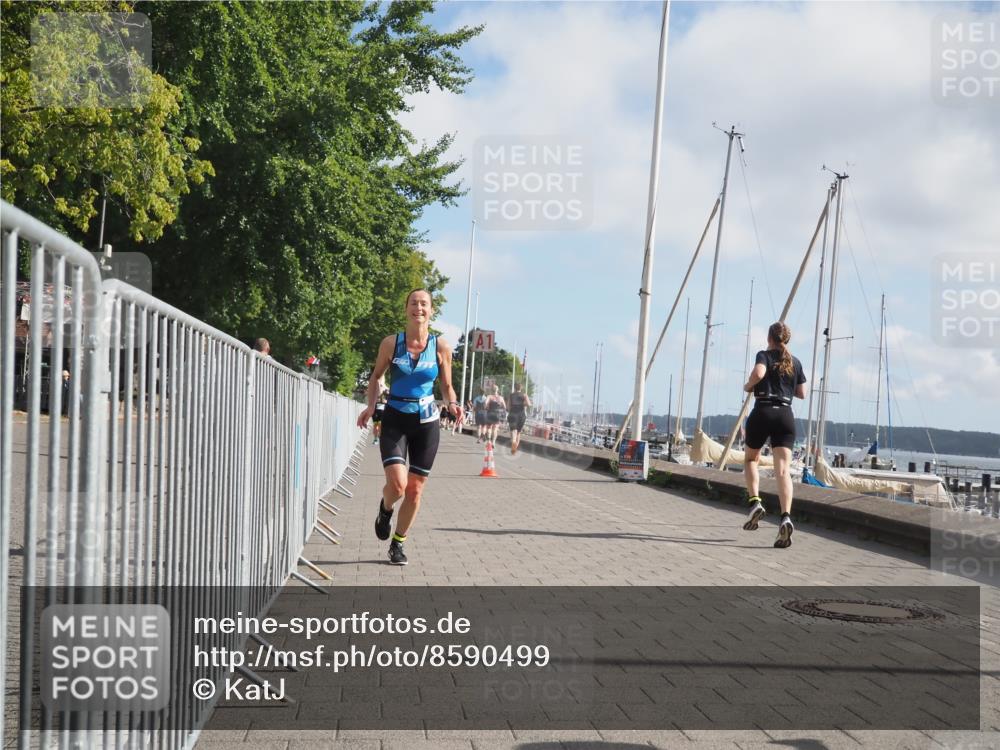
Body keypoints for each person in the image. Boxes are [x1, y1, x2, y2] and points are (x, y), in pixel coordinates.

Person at [356, 289, 459, 565]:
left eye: (424, 304)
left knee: (415, 489)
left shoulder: (441, 347)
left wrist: (452, 403)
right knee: (398, 486)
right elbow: (376, 377)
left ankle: (398, 544)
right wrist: (371, 407)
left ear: (431, 311)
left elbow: (447, 385)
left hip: (426, 423)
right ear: (406, 309)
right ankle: (385, 508)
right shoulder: (392, 343)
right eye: (414, 303)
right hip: (395, 419)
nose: (419, 308)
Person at [741, 321, 807, 548]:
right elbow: (801, 393)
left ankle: (755, 502)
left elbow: (759, 373)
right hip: (785, 416)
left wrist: (748, 385)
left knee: (751, 459)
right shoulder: (795, 362)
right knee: (783, 471)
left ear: (769, 338)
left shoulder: (764, 355)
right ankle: (785, 516)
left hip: (763, 411)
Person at [507, 382, 532, 454]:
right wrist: (522, 404)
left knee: (513, 431)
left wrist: (511, 409)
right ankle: (515, 447)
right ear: (521, 388)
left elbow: (508, 407)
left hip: (512, 414)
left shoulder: (511, 395)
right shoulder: (524, 395)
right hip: (521, 415)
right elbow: (529, 404)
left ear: (515, 388)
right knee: (518, 432)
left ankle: (513, 442)